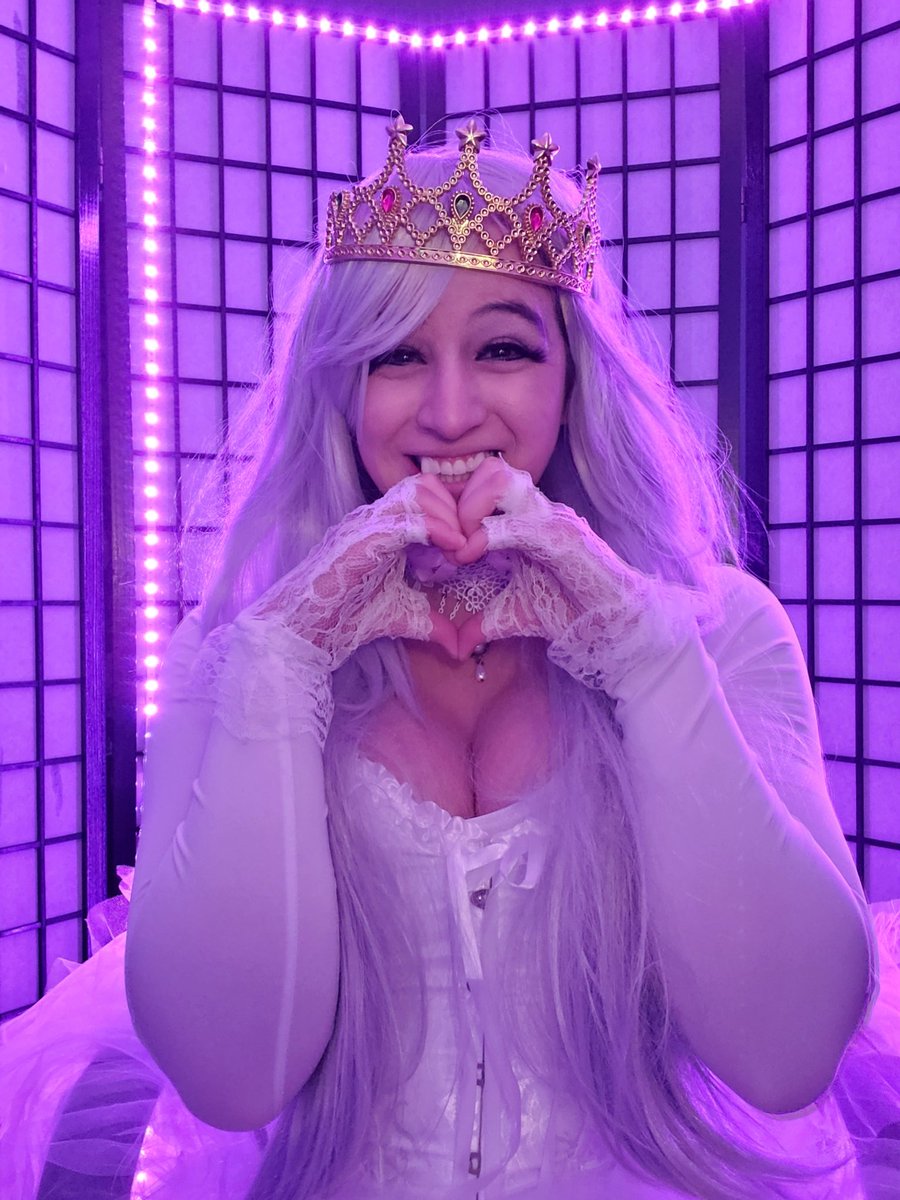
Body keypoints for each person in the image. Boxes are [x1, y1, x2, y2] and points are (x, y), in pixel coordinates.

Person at [3, 115, 900, 1200]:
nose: (450, 411)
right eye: (396, 355)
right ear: (340, 386)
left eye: (505, 348)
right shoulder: (237, 650)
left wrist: (647, 659)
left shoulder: (718, 626)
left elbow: (788, 1051)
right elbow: (231, 1078)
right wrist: (282, 668)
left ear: (574, 378)